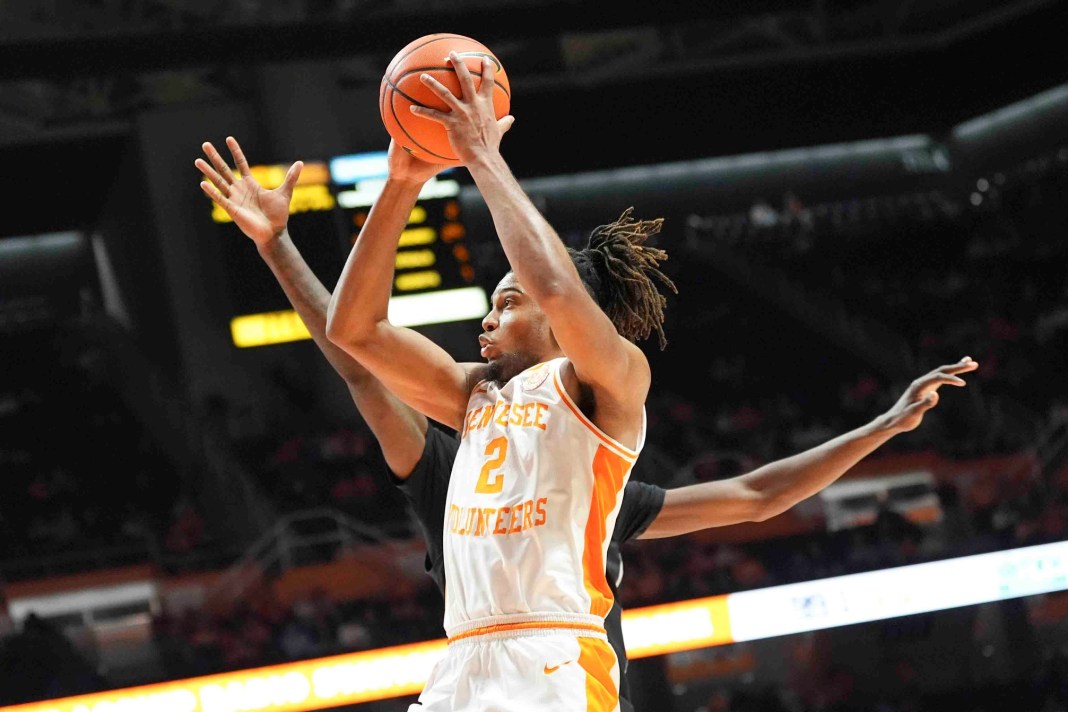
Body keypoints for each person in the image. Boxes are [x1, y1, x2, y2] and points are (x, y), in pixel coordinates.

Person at [198, 118, 979, 710]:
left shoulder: (607, 385)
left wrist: (481, 155)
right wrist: (400, 180)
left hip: (556, 662)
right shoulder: (476, 399)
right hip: (462, 660)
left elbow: (752, 496)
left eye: (506, 302)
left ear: (546, 310)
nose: (486, 318)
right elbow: (356, 339)